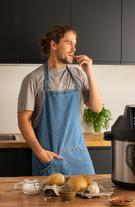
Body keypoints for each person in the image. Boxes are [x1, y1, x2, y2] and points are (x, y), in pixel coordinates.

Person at [17, 25, 102, 176]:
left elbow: (97, 107)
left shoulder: (79, 75)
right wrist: (40, 153)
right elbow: (23, 120)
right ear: (54, 45)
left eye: (75, 44)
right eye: (69, 42)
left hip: (79, 159)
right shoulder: (33, 79)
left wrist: (90, 72)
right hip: (50, 159)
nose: (74, 48)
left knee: (89, 199)